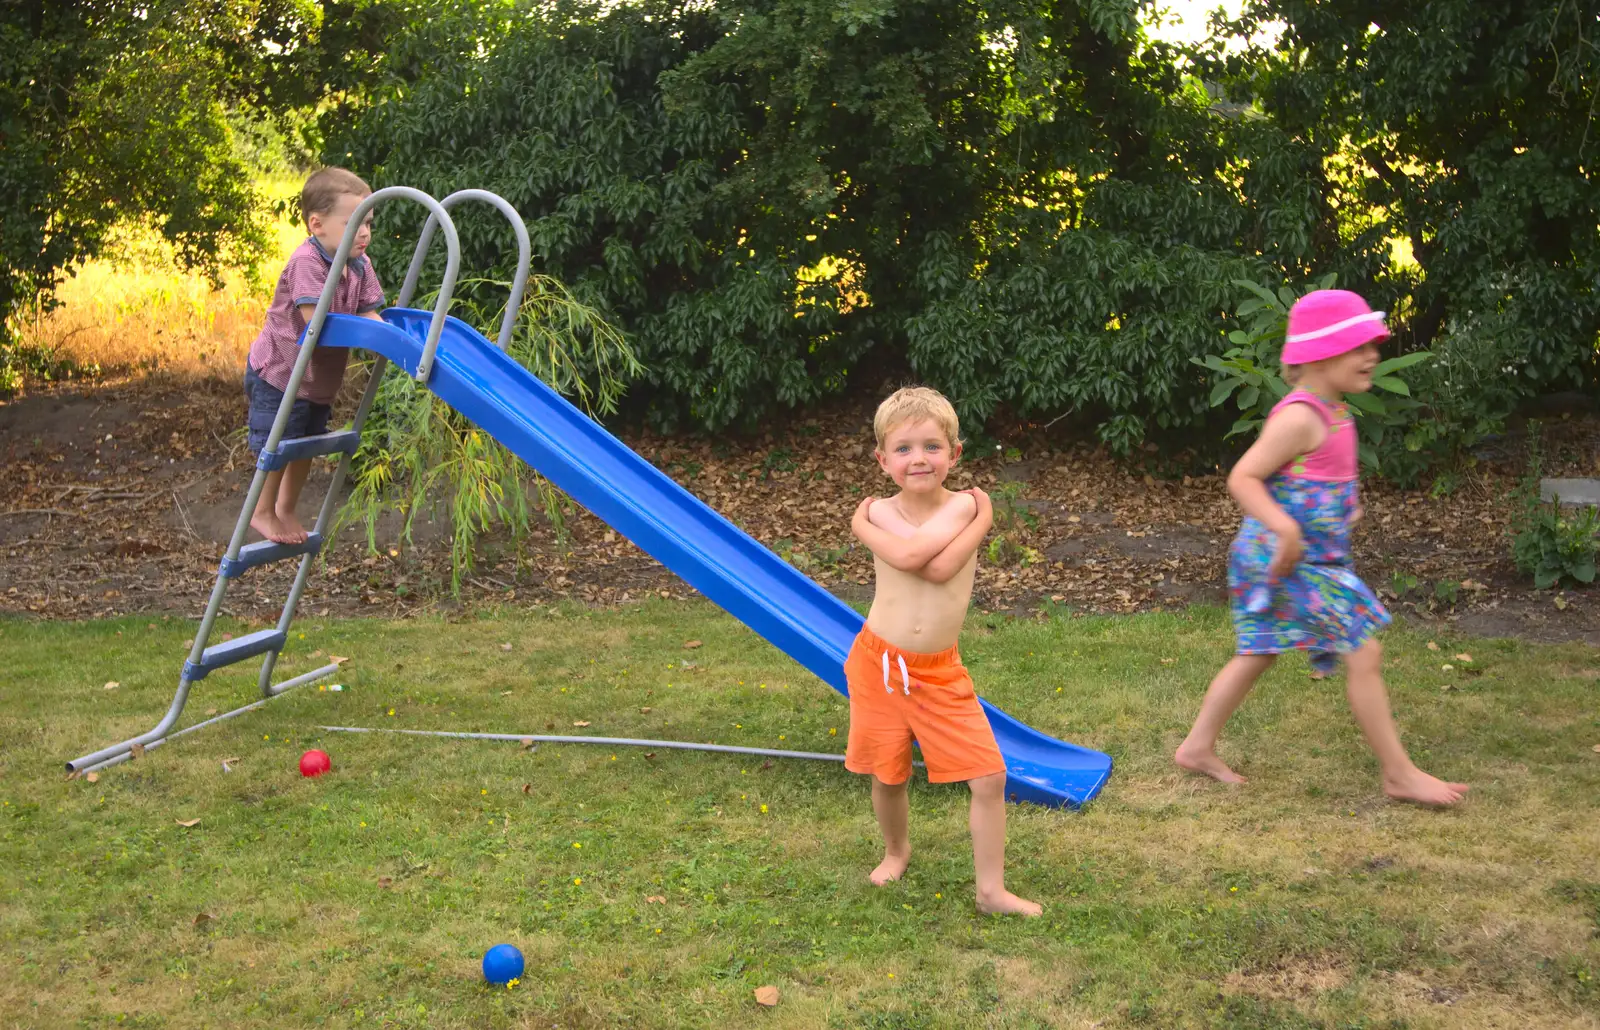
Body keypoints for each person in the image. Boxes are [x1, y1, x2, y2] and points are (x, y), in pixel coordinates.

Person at [1174, 290, 1468, 806]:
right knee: (1364, 646)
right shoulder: (1300, 416)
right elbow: (1243, 478)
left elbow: (1319, 479)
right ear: (1321, 354)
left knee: (1258, 651)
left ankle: (1197, 746)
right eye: (1359, 347)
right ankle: (1398, 774)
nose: (1373, 356)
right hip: (1282, 558)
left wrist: (1342, 508)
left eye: (1372, 346)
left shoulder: (1335, 412)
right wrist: (1288, 529)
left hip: (1308, 557)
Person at [846, 386, 1042, 915]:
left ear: (955, 455)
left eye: (932, 447)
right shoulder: (883, 513)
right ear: (882, 460)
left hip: (939, 670)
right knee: (888, 773)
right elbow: (915, 557)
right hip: (879, 664)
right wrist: (986, 519)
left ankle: (991, 892)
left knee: (990, 775)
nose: (918, 459)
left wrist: (976, 518)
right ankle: (897, 850)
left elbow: (937, 568)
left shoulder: (960, 506)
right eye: (904, 449)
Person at [244, 167, 386, 545]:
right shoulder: (307, 262)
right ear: (317, 224)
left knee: (305, 445)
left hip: (316, 382)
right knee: (279, 444)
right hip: (280, 373)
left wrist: (388, 335)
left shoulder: (360, 265)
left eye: (369, 222)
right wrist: (366, 332)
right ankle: (262, 511)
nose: (365, 232)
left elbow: (370, 312)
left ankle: (286, 508)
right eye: (355, 222)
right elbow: (315, 323)